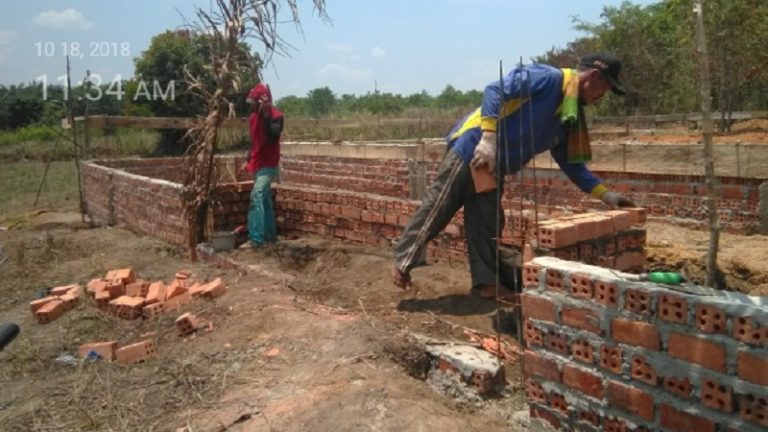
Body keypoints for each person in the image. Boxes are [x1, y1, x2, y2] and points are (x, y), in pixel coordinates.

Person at [392, 53, 635, 299]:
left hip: (495, 165)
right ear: (593, 76)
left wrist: (605, 195)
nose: (601, 96)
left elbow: (572, 164)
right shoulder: (548, 78)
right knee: (440, 205)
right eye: (605, 87)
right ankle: (403, 260)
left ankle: (486, 284)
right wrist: (488, 138)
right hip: (474, 147)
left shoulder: (567, 117)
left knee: (488, 222)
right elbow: (494, 90)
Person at [239, 83, 285, 248]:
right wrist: (248, 159)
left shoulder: (276, 117)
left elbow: (273, 136)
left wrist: (266, 114)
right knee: (264, 199)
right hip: (257, 162)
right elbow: (254, 141)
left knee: (257, 194)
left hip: (269, 163)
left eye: (253, 103)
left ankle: (256, 239)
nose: (251, 106)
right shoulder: (253, 118)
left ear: (261, 102)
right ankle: (271, 237)